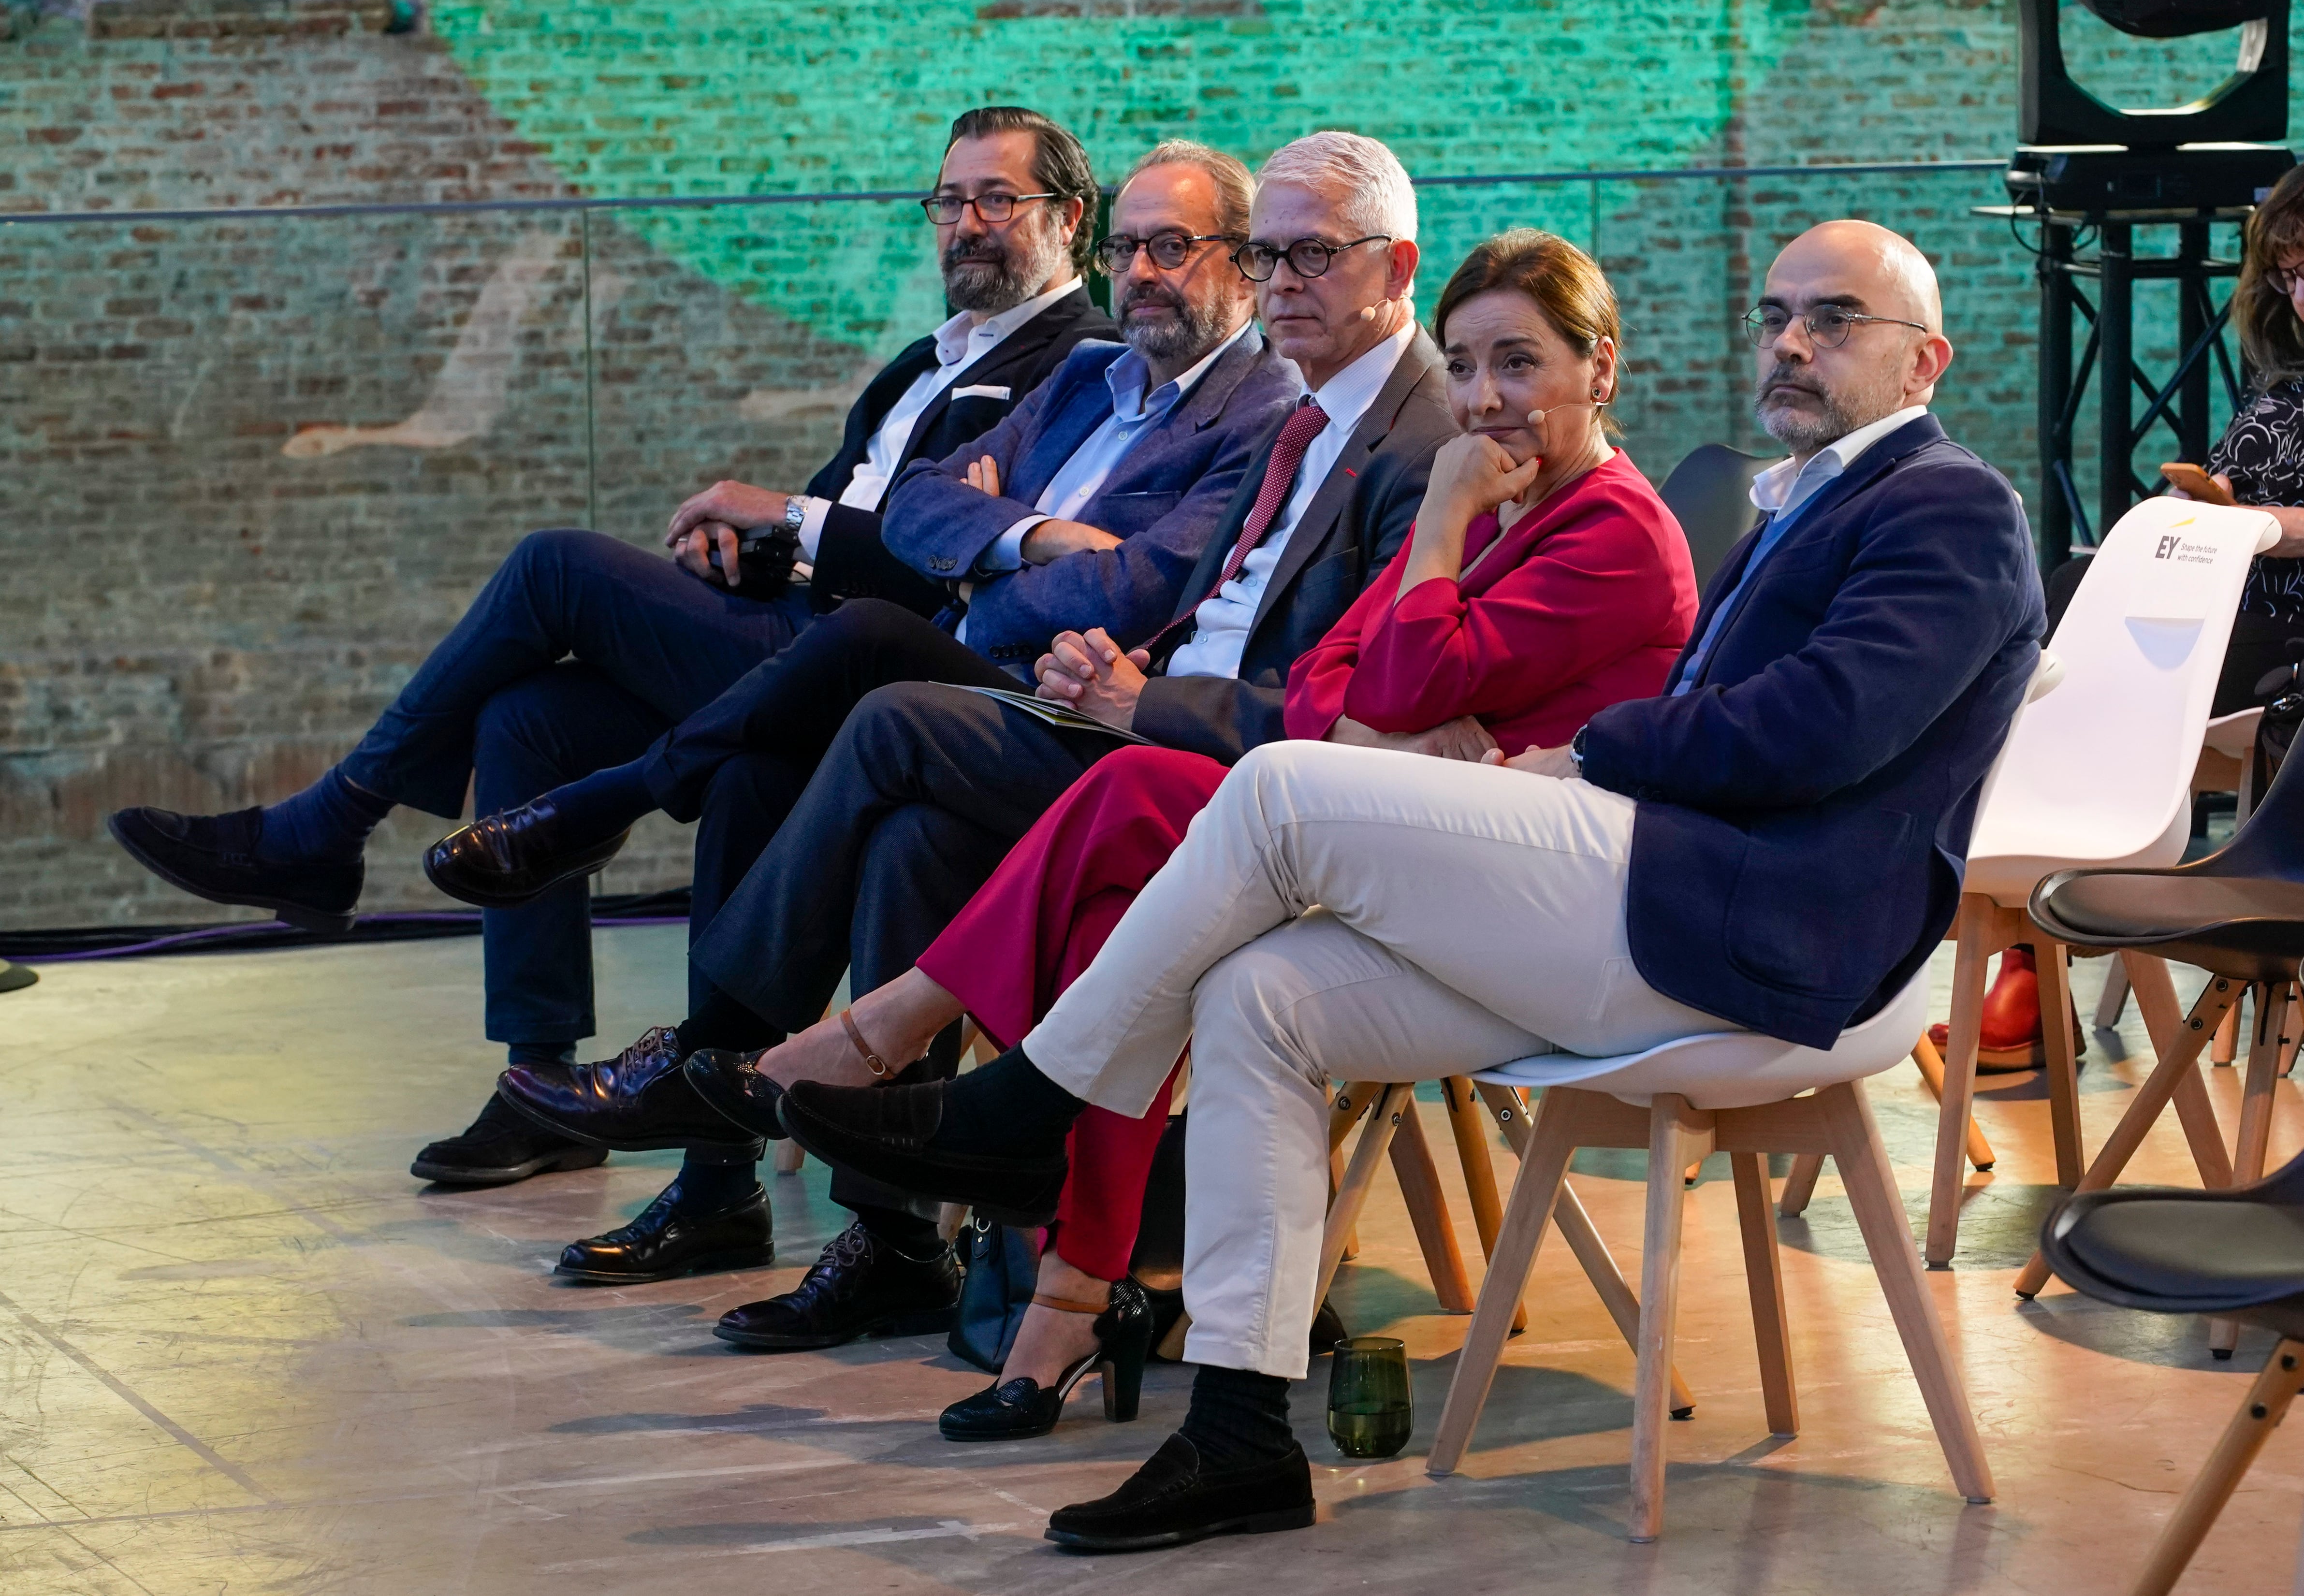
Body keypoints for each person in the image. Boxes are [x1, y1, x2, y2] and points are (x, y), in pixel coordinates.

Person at [779, 220, 2047, 1551]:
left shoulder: (1949, 502)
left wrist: (1589, 743)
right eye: (1778, 314)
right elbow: (1367, 686)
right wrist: (1541, 749)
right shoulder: (1809, 496)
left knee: (1272, 788)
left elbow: (1818, 728)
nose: (1791, 341)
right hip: (1666, 893)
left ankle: (1034, 1097)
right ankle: (1239, 1429)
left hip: (1769, 941)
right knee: (1261, 994)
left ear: (1927, 362)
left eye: (1835, 319)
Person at [678, 227, 1697, 1441]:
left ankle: (882, 1039)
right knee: (1127, 887)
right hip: (1373, 833)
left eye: (1518, 365)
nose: (1485, 401)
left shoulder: (1608, 530)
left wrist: (1435, 525)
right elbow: (1324, 677)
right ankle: (1065, 1296)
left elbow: (1410, 667)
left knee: (1132, 796)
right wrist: (1377, 736)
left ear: (1603, 370)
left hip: (1500, 892)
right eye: (1469, 367)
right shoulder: (1502, 505)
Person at [495, 133, 1457, 1334]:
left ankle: (709, 1038)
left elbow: (1218, 620)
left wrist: (1040, 601)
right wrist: (1037, 555)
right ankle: (893, 1235)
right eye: (1267, 256)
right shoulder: (1215, 397)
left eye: (1296, 254)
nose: (1272, 283)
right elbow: (917, 511)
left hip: (1208, 770)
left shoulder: (1332, 420)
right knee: (892, 816)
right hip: (1090, 698)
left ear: (1396, 264)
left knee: (876, 681)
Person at [103, 106, 1117, 1187]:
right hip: (796, 624)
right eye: (950, 200)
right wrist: (755, 549)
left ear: (1071, 219)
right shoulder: (925, 359)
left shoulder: (1081, 364)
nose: (968, 223)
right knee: (525, 718)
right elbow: (864, 529)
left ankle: (327, 823)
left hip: (876, 671)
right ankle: (540, 1078)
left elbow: (962, 566)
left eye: (999, 200)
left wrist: (788, 514)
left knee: (555, 566)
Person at [1979, 150, 2304, 1064]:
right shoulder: (2290, 383)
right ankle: (2032, 909)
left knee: (2084, 660)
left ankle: (2038, 937)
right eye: (2288, 274)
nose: (2301, 294)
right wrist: (2205, 502)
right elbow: (2239, 488)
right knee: (2065, 592)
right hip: (2232, 603)